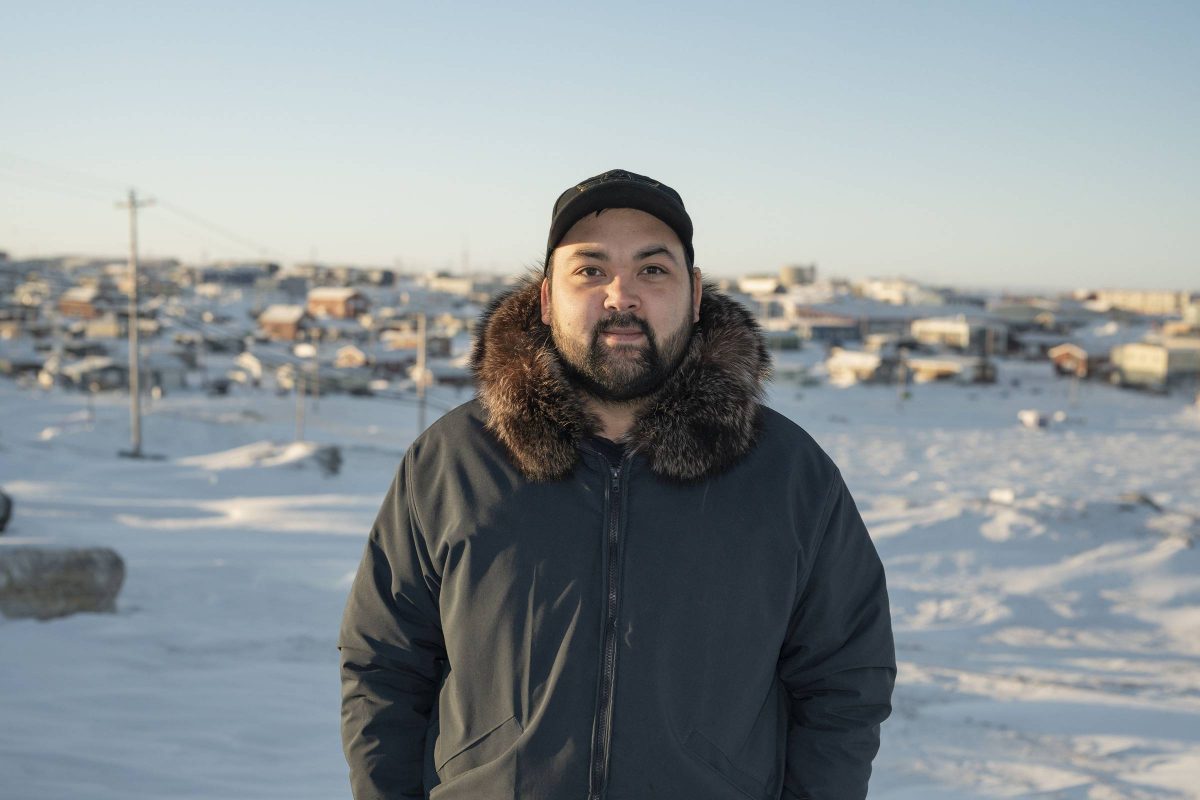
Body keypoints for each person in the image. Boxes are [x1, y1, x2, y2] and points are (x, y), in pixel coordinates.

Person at [339, 169, 895, 800]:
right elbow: (383, 665)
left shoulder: (788, 474)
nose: (621, 295)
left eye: (653, 270)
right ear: (547, 298)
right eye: (590, 270)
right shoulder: (453, 461)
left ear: (694, 295)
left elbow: (847, 682)